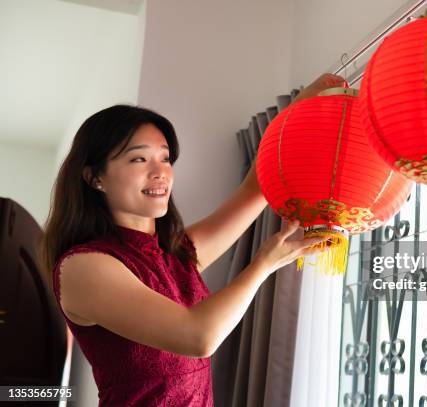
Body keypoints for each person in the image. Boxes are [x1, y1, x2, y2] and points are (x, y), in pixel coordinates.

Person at [38, 73, 346, 406]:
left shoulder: (176, 253)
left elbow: (253, 190)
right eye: (139, 159)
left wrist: (301, 109)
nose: (160, 172)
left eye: (165, 158)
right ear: (94, 177)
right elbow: (198, 336)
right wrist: (263, 264)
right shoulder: (83, 268)